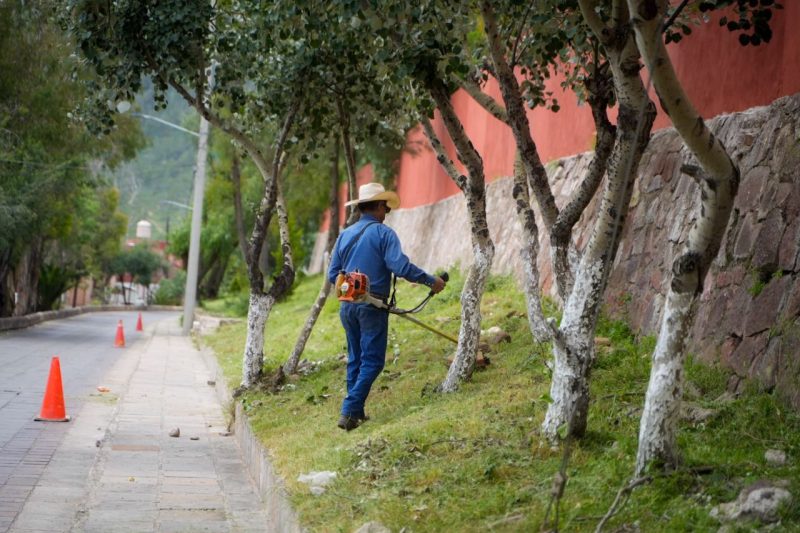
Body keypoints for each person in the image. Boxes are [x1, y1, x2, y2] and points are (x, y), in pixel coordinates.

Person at [328, 182, 446, 431]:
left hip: (347, 305)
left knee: (355, 359)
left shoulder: (344, 235)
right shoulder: (384, 234)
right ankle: (349, 408)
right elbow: (400, 267)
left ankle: (356, 413)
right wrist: (431, 281)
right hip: (372, 305)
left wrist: (352, 285)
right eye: (386, 207)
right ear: (379, 205)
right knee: (372, 361)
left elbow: (332, 275)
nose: (387, 213)